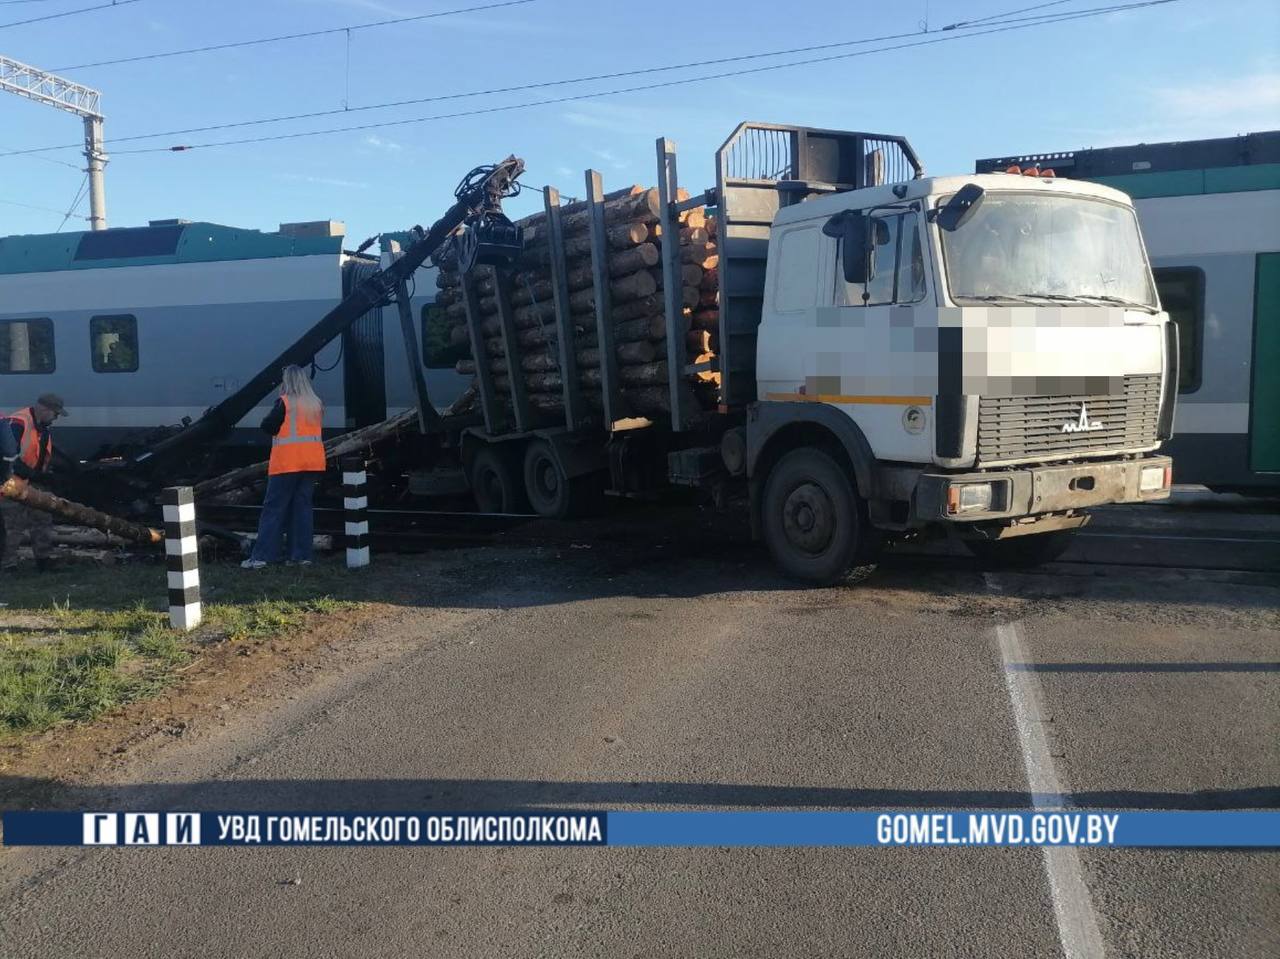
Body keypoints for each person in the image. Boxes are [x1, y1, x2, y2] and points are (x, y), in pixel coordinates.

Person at [242, 366, 325, 568]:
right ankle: (301, 556)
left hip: (287, 463)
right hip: (312, 463)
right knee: (302, 508)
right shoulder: (315, 403)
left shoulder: (284, 402)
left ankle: (262, 557)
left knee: (274, 509)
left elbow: (268, 426)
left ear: (287, 381)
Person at [1, 393, 66, 573]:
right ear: (44, 410)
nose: (56, 418)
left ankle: (44, 560)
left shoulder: (42, 427)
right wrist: (34, 475)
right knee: (12, 525)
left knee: (42, 519)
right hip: (11, 483)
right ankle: (7, 565)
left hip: (32, 482)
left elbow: (37, 456)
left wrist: (45, 475)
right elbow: (9, 457)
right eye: (55, 414)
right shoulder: (18, 423)